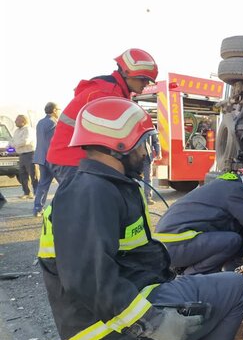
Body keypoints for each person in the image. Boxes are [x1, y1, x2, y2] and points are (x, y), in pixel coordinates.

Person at [38, 97, 243, 340]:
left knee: (198, 310)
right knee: (236, 288)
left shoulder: (104, 186)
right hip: (105, 338)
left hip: (115, 318)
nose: (145, 153)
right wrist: (151, 323)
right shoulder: (91, 192)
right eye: (141, 144)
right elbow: (89, 280)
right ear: (119, 146)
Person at [46, 48, 158, 186]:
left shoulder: (114, 92)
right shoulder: (106, 94)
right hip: (72, 158)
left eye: (149, 80)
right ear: (124, 72)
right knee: (91, 201)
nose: (146, 84)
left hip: (72, 157)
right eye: (142, 78)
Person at [154, 164, 243, 274]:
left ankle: (234, 257)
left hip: (171, 241)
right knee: (233, 241)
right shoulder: (235, 192)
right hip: (174, 245)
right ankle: (191, 276)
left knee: (238, 227)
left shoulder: (229, 184)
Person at [33, 102, 61, 217]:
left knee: (43, 184)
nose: (59, 111)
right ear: (54, 110)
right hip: (52, 158)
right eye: (58, 109)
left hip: (41, 158)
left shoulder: (40, 122)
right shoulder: (53, 123)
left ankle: (38, 209)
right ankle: (67, 207)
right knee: (65, 183)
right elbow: (57, 141)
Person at [11, 114, 38, 199]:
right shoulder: (16, 131)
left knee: (33, 174)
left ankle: (37, 193)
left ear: (23, 121)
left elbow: (25, 141)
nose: (15, 122)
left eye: (17, 120)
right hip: (21, 155)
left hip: (30, 154)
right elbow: (12, 142)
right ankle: (27, 193)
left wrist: (15, 145)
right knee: (22, 175)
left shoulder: (28, 130)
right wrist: (13, 145)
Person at [142, 132, 161, 205]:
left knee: (148, 178)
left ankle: (148, 198)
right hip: (135, 156)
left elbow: (155, 141)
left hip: (147, 156)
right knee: (131, 177)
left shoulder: (150, 126)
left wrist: (158, 152)